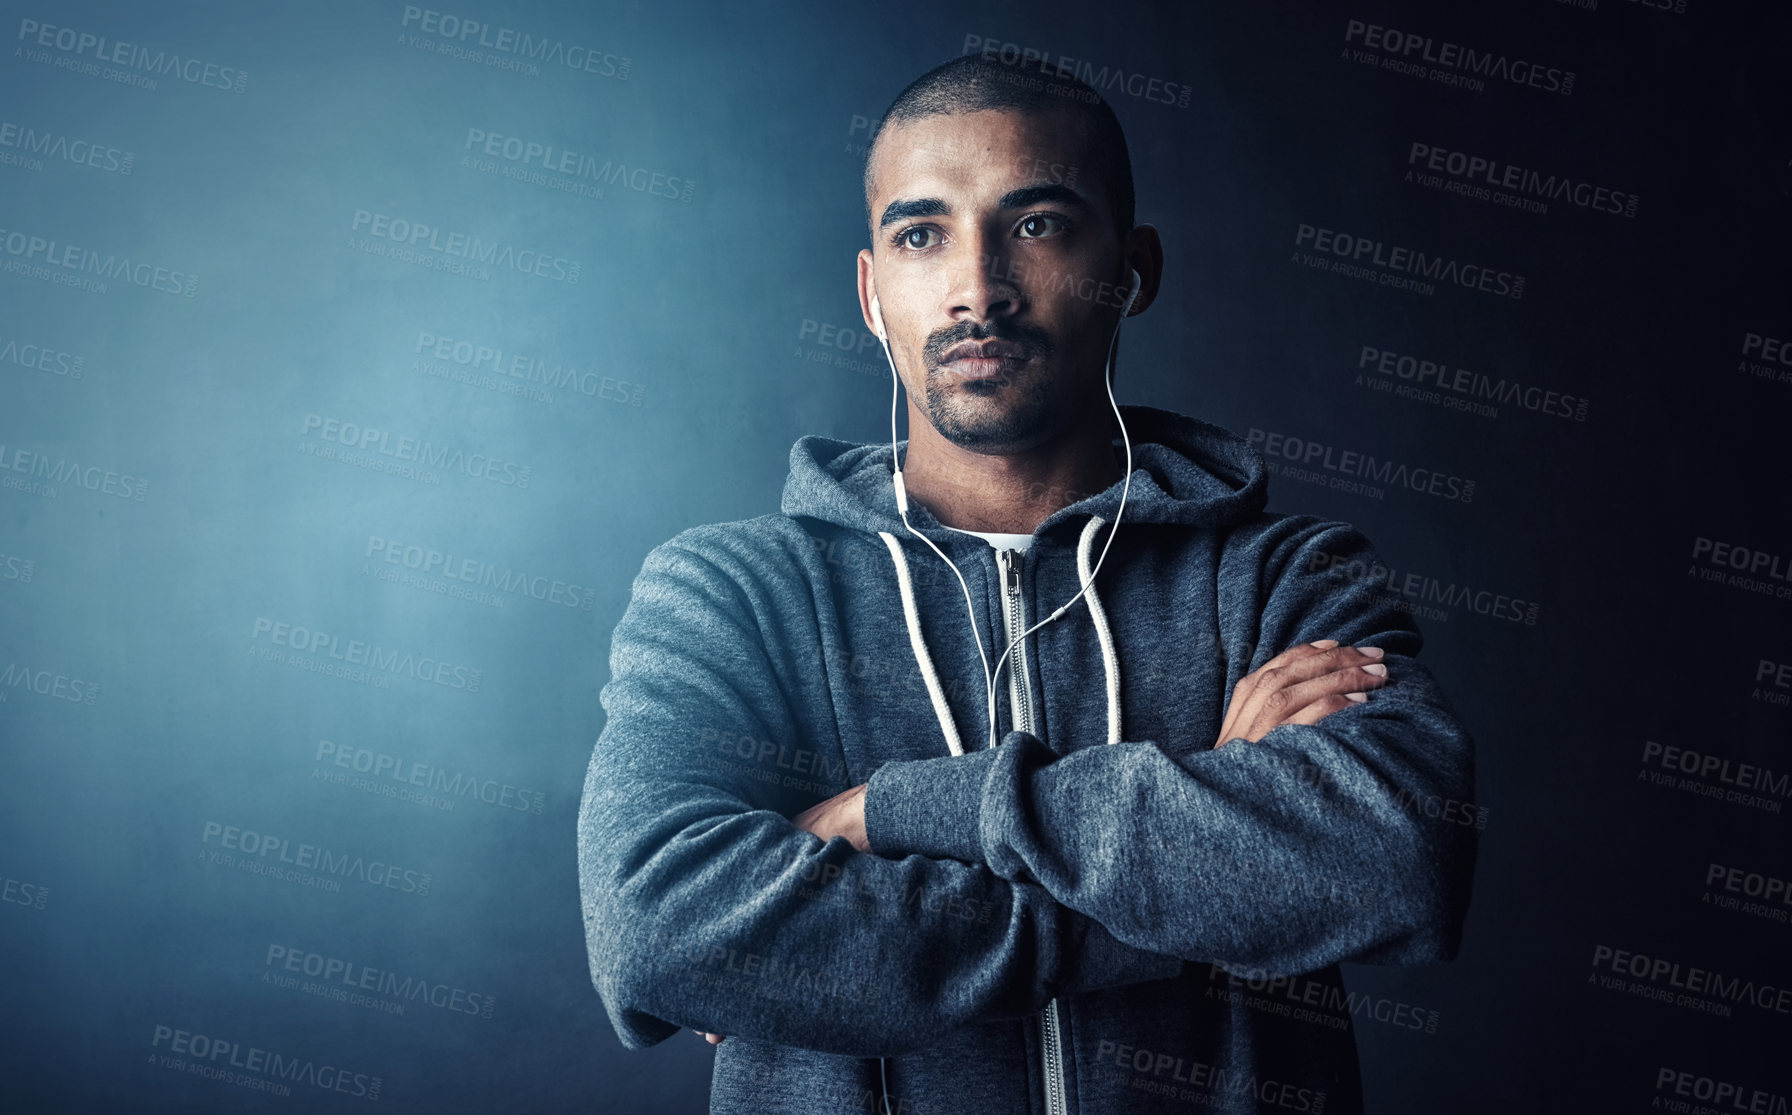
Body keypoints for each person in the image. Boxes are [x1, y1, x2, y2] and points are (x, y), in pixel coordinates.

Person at [577, 51, 1476, 1115]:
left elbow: (1393, 859)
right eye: (921, 236)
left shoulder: (1285, 577)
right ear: (871, 293)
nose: (977, 288)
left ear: (1133, 269)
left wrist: (891, 811)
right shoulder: (732, 593)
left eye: (1038, 223)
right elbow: (660, 930)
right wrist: (1198, 867)